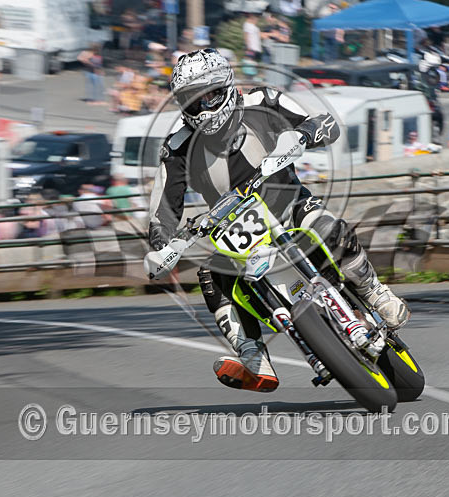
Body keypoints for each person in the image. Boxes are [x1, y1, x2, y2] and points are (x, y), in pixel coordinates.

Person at [148, 48, 410, 392]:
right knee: (211, 274)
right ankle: (251, 354)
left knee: (328, 227)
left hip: (289, 204)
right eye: (192, 100)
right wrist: (162, 245)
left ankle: (374, 292)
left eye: (209, 95)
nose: (202, 106)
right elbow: (163, 209)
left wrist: (303, 135)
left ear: (226, 87)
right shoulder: (177, 147)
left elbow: (321, 124)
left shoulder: (263, 101)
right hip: (234, 229)